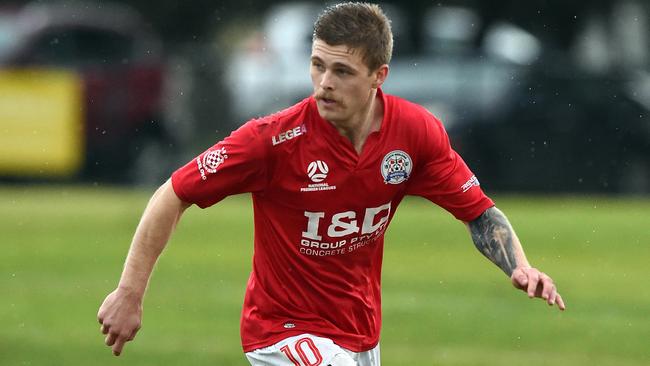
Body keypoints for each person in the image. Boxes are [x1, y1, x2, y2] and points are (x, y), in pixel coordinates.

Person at [97, 2, 565, 365]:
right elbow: (174, 192)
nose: (324, 83)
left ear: (379, 77)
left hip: (360, 332)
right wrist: (129, 293)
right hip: (281, 330)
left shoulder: (415, 133)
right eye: (318, 65)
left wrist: (518, 266)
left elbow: (479, 213)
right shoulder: (272, 140)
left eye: (342, 71)